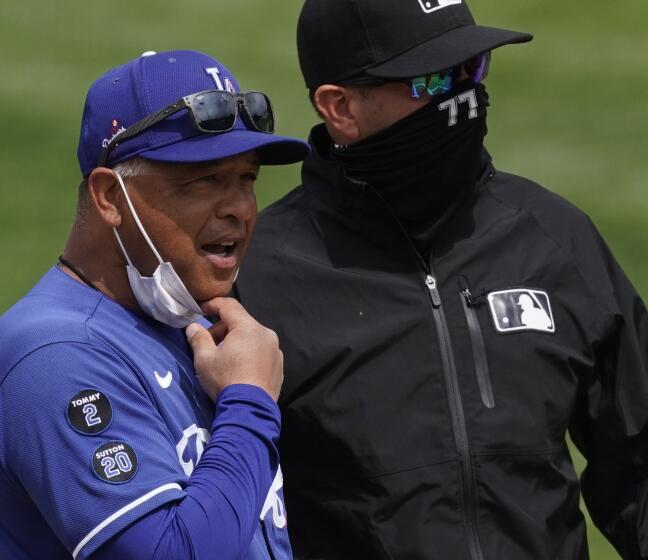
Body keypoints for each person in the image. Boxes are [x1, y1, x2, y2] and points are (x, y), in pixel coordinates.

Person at [235, 1, 648, 558]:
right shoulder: (261, 279)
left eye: (471, 67)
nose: (462, 94)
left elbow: (640, 464)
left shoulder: (552, 238)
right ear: (340, 107)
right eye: (431, 78)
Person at [0, 49, 309, 559]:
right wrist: (250, 404)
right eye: (204, 181)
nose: (238, 207)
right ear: (109, 197)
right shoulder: (53, 355)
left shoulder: (188, 322)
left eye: (247, 180)